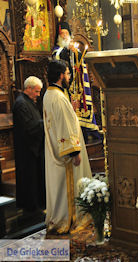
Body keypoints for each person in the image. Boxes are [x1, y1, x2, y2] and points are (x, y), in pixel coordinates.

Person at [44, 60, 92, 234]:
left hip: (55, 151)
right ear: (61, 75)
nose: (70, 77)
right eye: (68, 73)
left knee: (58, 188)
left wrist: (71, 109)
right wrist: (75, 152)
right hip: (67, 153)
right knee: (68, 187)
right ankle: (70, 219)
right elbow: (64, 126)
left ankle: (58, 217)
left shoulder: (49, 94)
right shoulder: (58, 97)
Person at [52, 21, 99, 142]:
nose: (64, 36)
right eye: (61, 33)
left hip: (76, 87)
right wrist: (67, 51)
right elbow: (58, 60)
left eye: (66, 33)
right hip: (64, 89)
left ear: (69, 34)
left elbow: (80, 66)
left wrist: (74, 52)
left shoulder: (75, 50)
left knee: (80, 112)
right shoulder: (57, 51)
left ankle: (84, 134)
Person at [13, 76, 45, 212]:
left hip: (34, 148)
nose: (38, 95)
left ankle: (37, 204)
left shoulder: (29, 102)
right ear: (29, 89)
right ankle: (30, 207)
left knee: (35, 178)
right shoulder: (21, 104)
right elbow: (29, 127)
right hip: (26, 150)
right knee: (29, 179)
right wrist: (46, 122)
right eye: (36, 92)